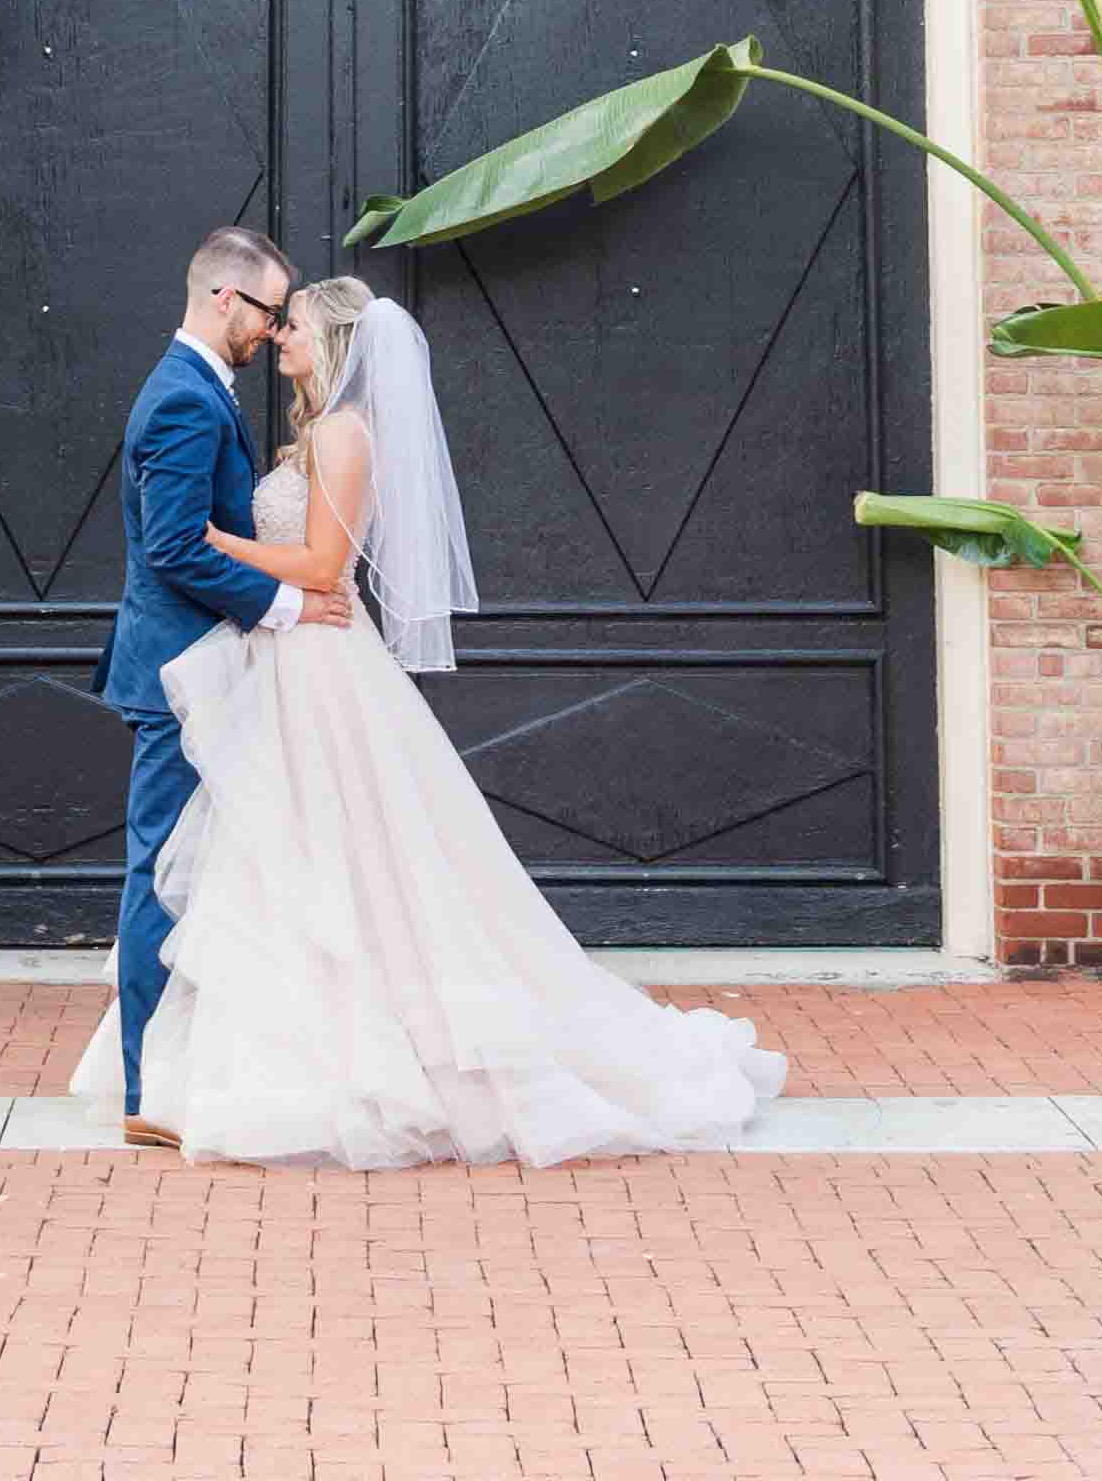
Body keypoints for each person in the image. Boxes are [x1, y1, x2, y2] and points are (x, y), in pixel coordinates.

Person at [74, 274, 783, 1166]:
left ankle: (330, 1060)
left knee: (343, 857)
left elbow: (324, 566)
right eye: (272, 317)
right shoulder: (306, 428)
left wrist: (217, 544)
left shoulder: (339, 432)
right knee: (290, 856)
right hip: (282, 661)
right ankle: (239, 1061)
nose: (279, 336)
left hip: (318, 661)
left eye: (291, 325)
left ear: (328, 343)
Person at [88, 224, 353, 1148]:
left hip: (214, 667)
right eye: (270, 312)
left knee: (207, 871)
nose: (275, 330)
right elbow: (169, 548)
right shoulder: (184, 400)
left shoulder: (201, 388)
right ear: (223, 300)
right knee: (161, 872)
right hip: (180, 673)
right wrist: (285, 606)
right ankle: (145, 1091)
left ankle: (191, 1069)